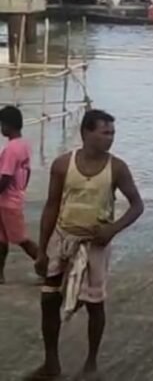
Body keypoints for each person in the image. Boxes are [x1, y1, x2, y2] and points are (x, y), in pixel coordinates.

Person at [27, 109, 144, 380]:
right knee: (49, 300)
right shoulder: (62, 165)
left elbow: (137, 205)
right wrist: (42, 251)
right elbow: (51, 206)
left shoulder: (117, 168)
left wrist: (112, 229)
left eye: (112, 133)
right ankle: (51, 364)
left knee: (94, 304)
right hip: (63, 241)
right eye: (105, 133)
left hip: (95, 247)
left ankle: (91, 365)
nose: (110, 138)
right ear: (86, 133)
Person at [0, 106, 37, 284]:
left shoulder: (11, 149)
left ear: (8, 125)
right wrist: (22, 189)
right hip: (11, 198)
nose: (1, 128)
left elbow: (6, 178)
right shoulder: (24, 145)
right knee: (1, 239)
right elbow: (27, 172)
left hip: (8, 201)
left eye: (2, 124)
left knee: (21, 240)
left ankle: (49, 270)